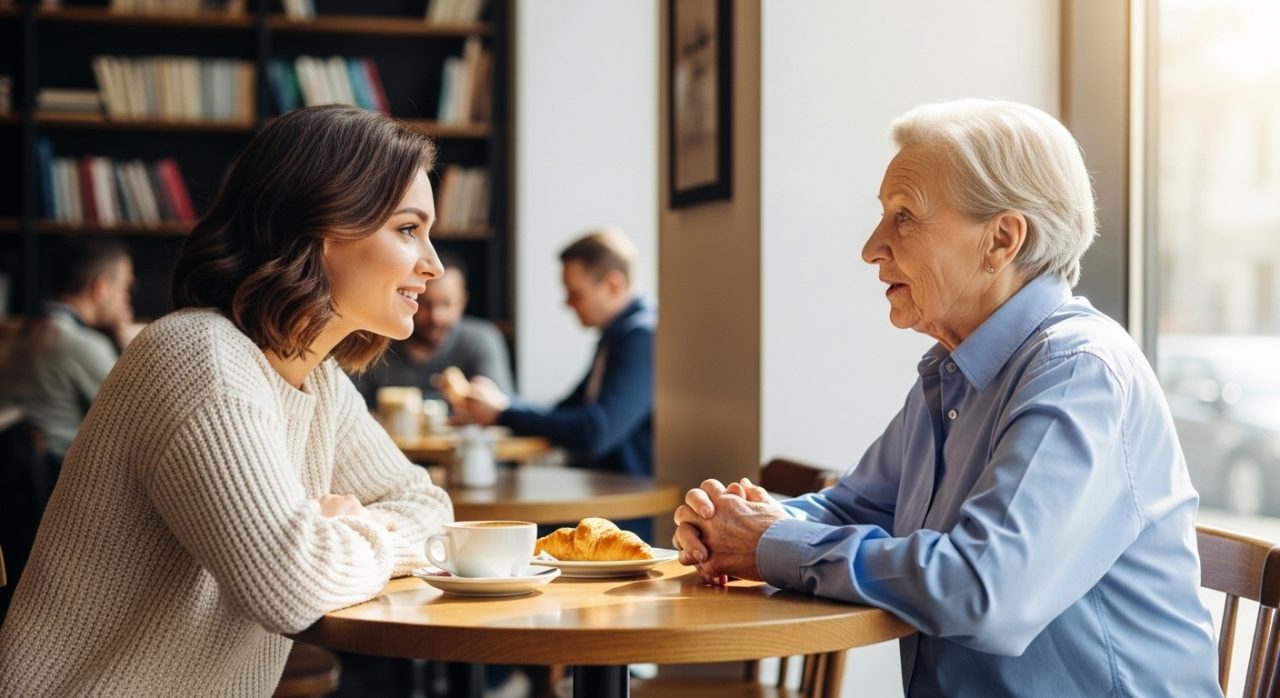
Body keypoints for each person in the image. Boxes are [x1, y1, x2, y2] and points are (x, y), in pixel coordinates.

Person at [673, 99, 1221, 696]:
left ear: (1002, 240)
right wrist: (731, 525)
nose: (872, 247)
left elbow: (983, 589)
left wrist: (770, 543)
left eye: (904, 216)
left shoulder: (1077, 373)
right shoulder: (952, 372)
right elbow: (854, 507)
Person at [0, 105, 454, 697]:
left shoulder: (315, 380)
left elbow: (429, 507)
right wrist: (352, 540)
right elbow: (293, 585)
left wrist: (348, 529)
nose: (434, 264)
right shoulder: (200, 359)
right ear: (317, 227)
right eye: (407, 229)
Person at [461, 229, 655, 535]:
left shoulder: (641, 337)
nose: (568, 304)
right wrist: (504, 406)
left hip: (625, 509)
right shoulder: (617, 336)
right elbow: (568, 408)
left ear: (613, 284)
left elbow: (597, 430)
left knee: (507, 531)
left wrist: (503, 412)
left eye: (575, 293)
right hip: (605, 496)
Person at [1, 238, 135, 462]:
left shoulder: (25, 333)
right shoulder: (82, 345)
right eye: (125, 287)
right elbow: (134, 424)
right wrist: (130, 346)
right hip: (57, 479)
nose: (127, 299)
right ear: (100, 287)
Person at [356, 250, 514, 406]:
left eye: (446, 304)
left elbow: (501, 409)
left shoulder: (480, 340)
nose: (435, 317)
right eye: (425, 303)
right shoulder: (376, 343)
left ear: (462, 302)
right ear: (408, 298)